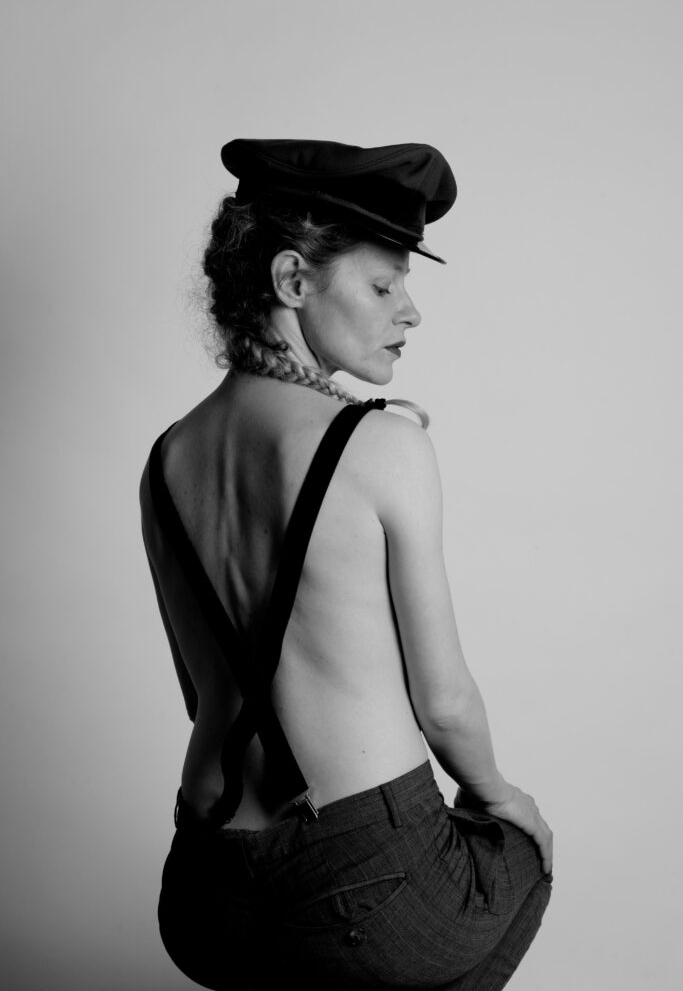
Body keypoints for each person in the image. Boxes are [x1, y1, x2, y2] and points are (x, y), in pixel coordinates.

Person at [139, 138, 553, 991]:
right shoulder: (379, 443)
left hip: (206, 886)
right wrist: (503, 800)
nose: (411, 313)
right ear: (293, 280)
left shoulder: (167, 457)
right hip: (368, 883)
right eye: (383, 285)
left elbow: (198, 690)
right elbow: (443, 704)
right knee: (518, 853)